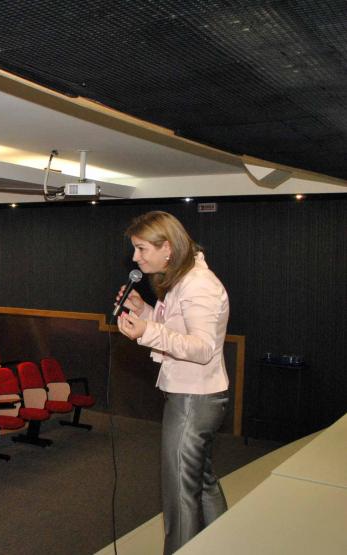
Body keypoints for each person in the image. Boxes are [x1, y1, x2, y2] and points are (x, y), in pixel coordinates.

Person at [116, 210, 230, 555]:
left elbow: (202, 348)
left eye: (141, 249)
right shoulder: (184, 279)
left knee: (179, 491)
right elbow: (179, 330)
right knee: (201, 482)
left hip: (194, 400)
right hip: (194, 396)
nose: (135, 257)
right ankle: (223, 542)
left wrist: (147, 331)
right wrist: (146, 311)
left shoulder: (199, 285)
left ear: (166, 248)